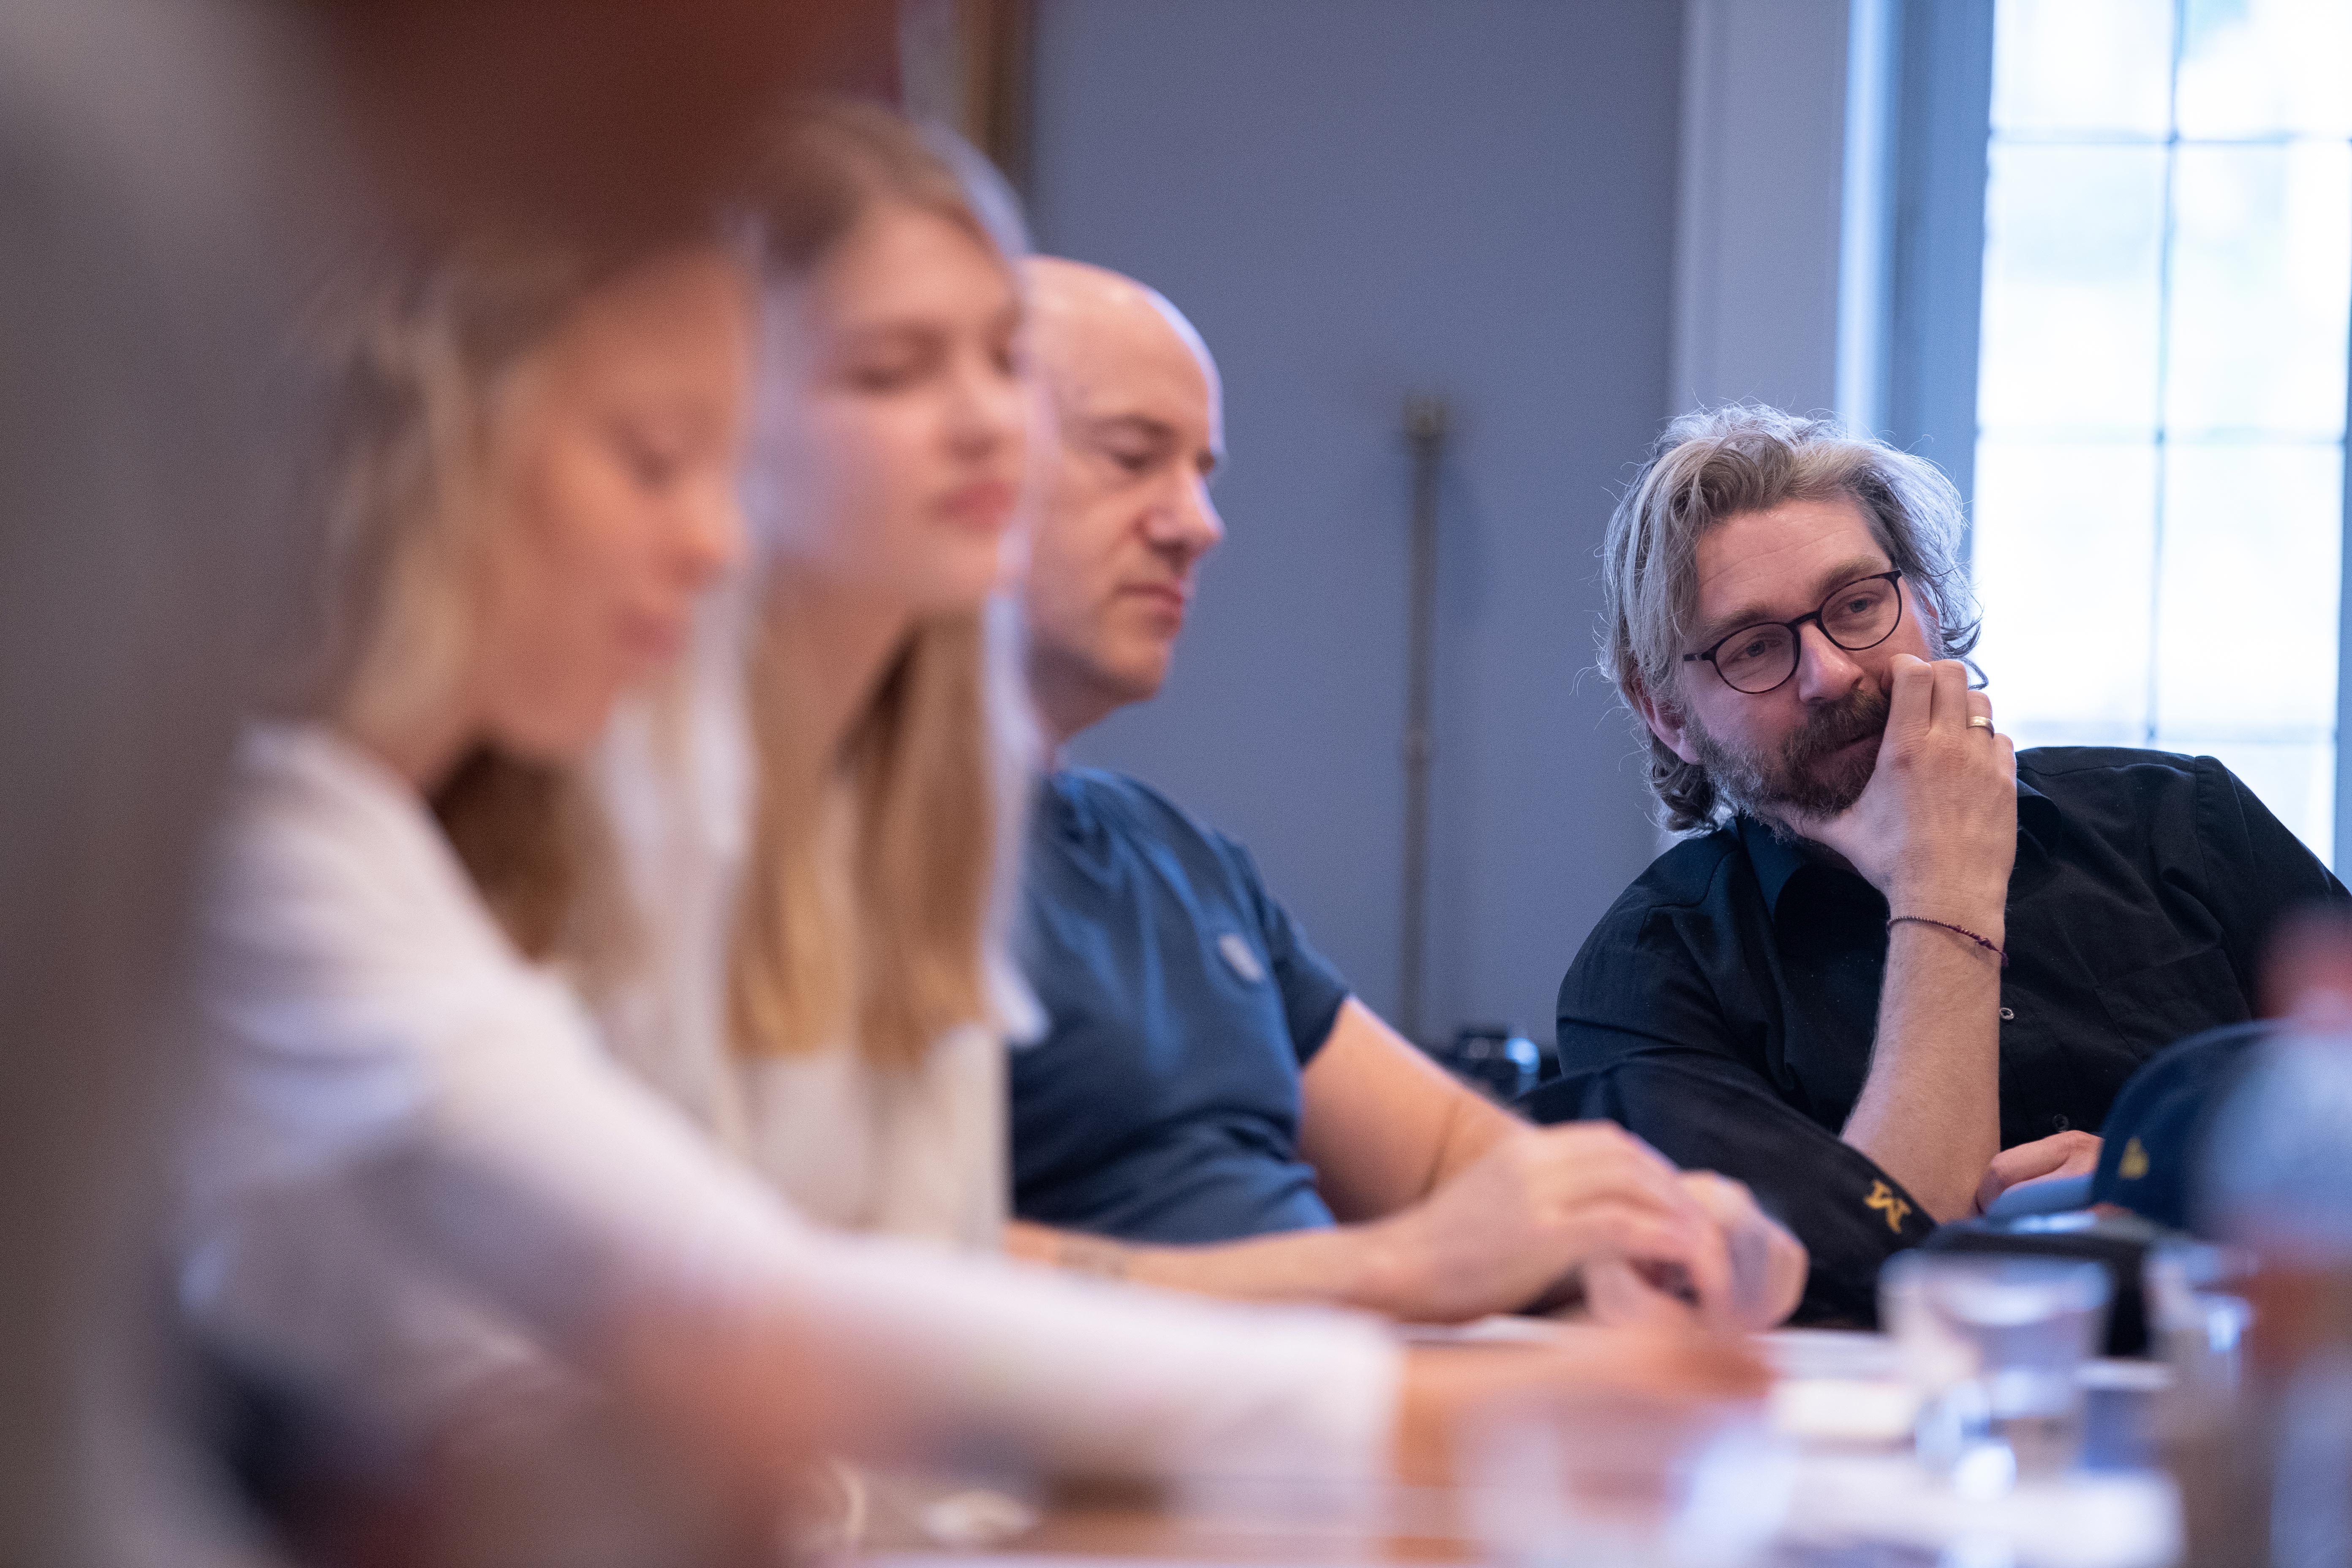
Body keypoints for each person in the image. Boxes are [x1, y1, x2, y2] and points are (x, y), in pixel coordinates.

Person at [173, 215, 1760, 1553]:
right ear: (444, 469)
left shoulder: (385, 838)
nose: (710, 540)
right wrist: (1418, 1381)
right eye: (656, 464)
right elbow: (752, 1293)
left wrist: (1607, 1259)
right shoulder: (290, 845)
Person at [1001, 258, 1808, 1331]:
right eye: (1133, 456)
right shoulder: (806, 853)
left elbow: (1442, 1159)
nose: (1200, 523)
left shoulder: (1172, 857)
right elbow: (858, 1279)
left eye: (1202, 471)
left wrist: (1654, 1223)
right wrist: (1389, 1270)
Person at [1538, 404, 2346, 1309]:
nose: (1832, 673)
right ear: (1668, 714)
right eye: (1755, 647)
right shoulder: (1650, 974)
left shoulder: (2181, 821)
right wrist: (1941, 888)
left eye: (1857, 605)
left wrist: (2171, 1185)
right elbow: (1850, 1288)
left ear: (1926, 602)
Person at [598, 99, 1037, 1253]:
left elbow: (946, 1279)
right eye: (893, 372)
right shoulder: (638, 778)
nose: (989, 419)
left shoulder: (942, 777)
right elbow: (702, 1308)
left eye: (1008, 358)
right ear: (723, 414)